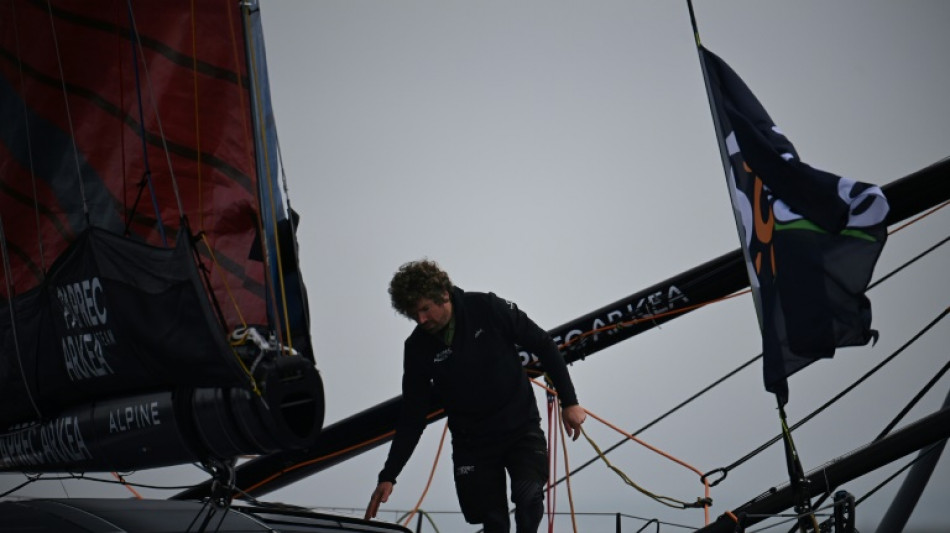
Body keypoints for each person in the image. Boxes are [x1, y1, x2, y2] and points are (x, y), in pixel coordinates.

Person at [364, 259, 586, 533]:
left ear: (443, 295)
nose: (421, 320)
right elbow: (412, 416)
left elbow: (543, 343)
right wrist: (389, 475)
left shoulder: (487, 308)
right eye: (413, 314)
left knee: (528, 498)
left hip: (519, 427)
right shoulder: (416, 347)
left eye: (425, 309)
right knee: (493, 521)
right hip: (473, 443)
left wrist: (570, 401)